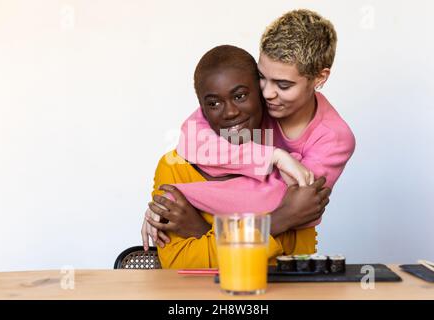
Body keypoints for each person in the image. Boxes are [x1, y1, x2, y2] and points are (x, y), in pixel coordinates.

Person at [145, 9, 355, 249]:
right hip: (250, 243)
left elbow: (279, 203)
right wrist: (273, 157)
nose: (267, 93)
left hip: (288, 258)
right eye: (262, 77)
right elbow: (193, 141)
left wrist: (180, 199)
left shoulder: (334, 138)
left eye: (283, 84)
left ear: (319, 78)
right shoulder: (249, 99)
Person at [141, 45, 331, 268]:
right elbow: (178, 263)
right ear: (202, 109)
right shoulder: (174, 167)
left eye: (240, 96)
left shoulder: (290, 169)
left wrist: (201, 231)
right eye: (213, 103)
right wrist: (278, 221)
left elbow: (292, 264)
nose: (230, 112)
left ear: (262, 94)